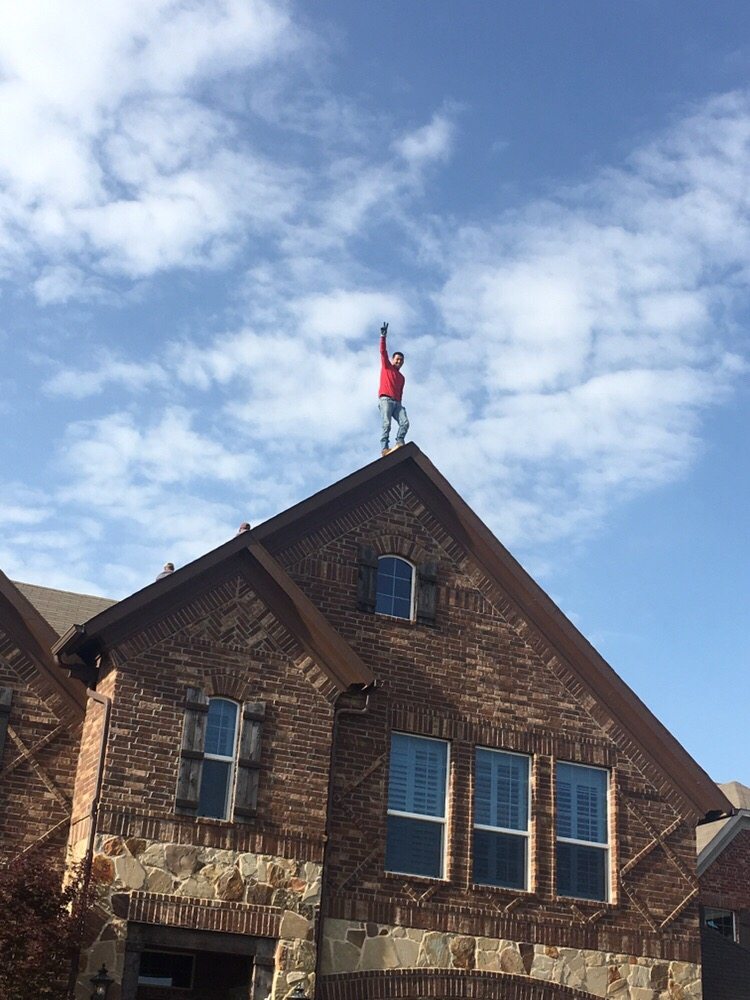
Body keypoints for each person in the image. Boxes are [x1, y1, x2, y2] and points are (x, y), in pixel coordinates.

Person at [378, 322, 409, 456]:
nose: (399, 362)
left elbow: (400, 392)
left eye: (401, 360)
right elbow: (383, 352)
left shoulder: (402, 378)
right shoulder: (387, 367)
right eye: (397, 359)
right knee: (387, 424)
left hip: (397, 403)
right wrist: (383, 336)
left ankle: (400, 441)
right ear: (393, 359)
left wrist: (399, 404)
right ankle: (385, 448)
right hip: (386, 399)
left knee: (405, 422)